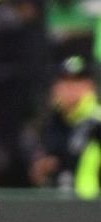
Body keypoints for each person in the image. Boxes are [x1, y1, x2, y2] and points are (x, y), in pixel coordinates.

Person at [27, 56, 100, 199]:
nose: (70, 88)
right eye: (65, 81)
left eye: (77, 82)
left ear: (90, 86)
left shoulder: (97, 122)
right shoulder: (49, 123)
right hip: (58, 209)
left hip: (93, 210)